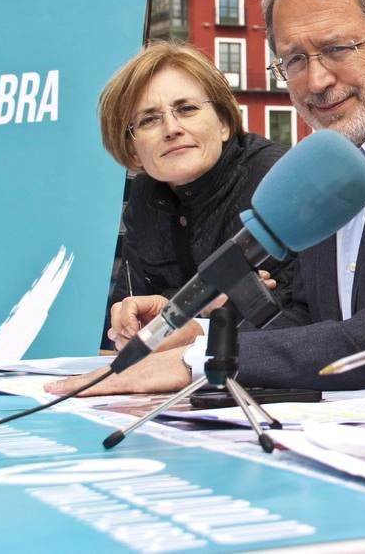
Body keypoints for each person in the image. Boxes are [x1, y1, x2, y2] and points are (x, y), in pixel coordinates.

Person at [48, 0, 365, 395]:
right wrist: (199, 335)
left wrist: (197, 361)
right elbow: (310, 319)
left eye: (337, 48)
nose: (315, 81)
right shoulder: (326, 160)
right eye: (294, 60)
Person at [97, 41, 286, 348]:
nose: (171, 128)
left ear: (224, 123)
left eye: (186, 109)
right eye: (149, 119)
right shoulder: (145, 195)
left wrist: (192, 321)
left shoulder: (274, 179)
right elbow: (132, 309)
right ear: (132, 148)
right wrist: (127, 323)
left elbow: (301, 320)